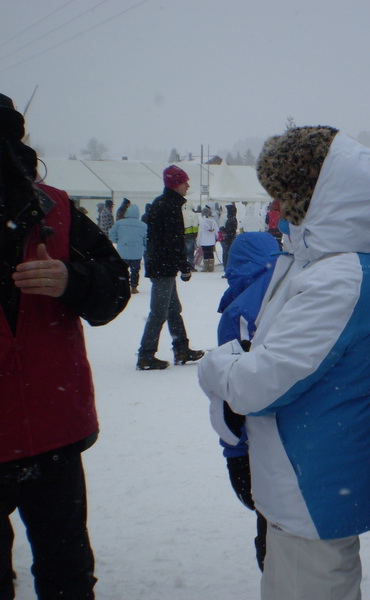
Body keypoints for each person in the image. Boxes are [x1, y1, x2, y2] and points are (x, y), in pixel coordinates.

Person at [198, 125, 370, 600]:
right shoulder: (324, 262)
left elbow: (260, 383)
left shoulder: (337, 277)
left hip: (312, 484)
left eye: (284, 195)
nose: (277, 208)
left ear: (313, 197)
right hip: (305, 477)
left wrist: (218, 364)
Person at [0, 93, 130, 599]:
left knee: (66, 571)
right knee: (66, 572)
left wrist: (70, 280)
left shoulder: (52, 206)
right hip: (52, 422)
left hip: (51, 428)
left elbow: (115, 288)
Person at [210, 232, 280, 572]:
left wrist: (235, 449)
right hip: (305, 434)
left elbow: (237, 391)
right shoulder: (290, 286)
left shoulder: (241, 310)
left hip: (262, 443)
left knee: (272, 522)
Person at [136, 165, 204, 370]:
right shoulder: (168, 206)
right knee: (158, 312)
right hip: (162, 266)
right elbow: (172, 241)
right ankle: (146, 355)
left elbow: (168, 240)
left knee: (174, 310)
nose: (188, 186)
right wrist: (183, 265)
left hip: (162, 264)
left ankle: (181, 348)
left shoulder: (163, 204)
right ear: (176, 184)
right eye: (185, 182)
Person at [109, 202, 147, 294]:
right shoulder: (143, 225)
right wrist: (144, 248)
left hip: (123, 251)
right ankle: (134, 287)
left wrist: (117, 241)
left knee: (122, 270)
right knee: (135, 271)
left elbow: (112, 234)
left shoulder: (119, 223)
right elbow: (146, 239)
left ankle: (122, 286)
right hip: (137, 252)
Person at [197, 206, 219, 273]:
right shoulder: (213, 221)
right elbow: (217, 231)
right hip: (211, 241)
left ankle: (206, 267)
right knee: (211, 253)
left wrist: (198, 242)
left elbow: (200, 232)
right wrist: (217, 237)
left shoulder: (202, 222)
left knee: (205, 254)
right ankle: (211, 267)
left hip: (204, 241)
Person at [220, 203, 238, 270]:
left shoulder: (230, 220)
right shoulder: (233, 219)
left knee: (226, 254)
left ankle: (226, 268)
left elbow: (229, 231)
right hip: (231, 239)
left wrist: (223, 229)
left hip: (228, 239)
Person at [182, 201, 199, 272]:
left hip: (181, 234)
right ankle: (191, 266)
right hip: (190, 235)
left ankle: (182, 265)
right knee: (190, 252)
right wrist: (195, 233)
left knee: (182, 251)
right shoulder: (193, 214)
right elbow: (195, 226)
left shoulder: (180, 213)